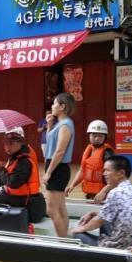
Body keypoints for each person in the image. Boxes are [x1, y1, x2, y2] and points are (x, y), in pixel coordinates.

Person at [71, 156, 132, 249]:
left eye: (107, 170)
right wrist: (94, 214)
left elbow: (98, 221)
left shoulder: (115, 193)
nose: (104, 174)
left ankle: (102, 253)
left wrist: (79, 229)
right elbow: (113, 215)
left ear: (121, 173)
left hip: (121, 248)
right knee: (103, 220)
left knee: (77, 234)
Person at [0, 127, 46, 224]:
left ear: (21, 142)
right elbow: (4, 179)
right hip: (23, 198)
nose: (7, 147)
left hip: (27, 202)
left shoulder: (24, 161)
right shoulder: (16, 156)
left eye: (11, 143)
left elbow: (13, 183)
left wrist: (1, 169)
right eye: (6, 143)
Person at [43, 92, 76, 237]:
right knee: (60, 207)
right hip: (55, 166)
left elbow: (60, 151)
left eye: (55, 103)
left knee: (51, 210)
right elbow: (51, 141)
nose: (52, 106)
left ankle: (62, 241)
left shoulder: (66, 124)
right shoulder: (59, 124)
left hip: (58, 167)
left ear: (62, 106)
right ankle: (64, 238)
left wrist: (49, 172)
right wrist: (49, 125)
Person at [66, 120, 114, 203]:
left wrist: (104, 192)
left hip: (104, 195)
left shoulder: (107, 153)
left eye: (100, 136)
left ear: (105, 137)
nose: (97, 139)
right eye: (94, 135)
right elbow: (82, 171)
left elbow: (113, 175)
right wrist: (72, 185)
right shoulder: (89, 150)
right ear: (89, 136)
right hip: (90, 194)